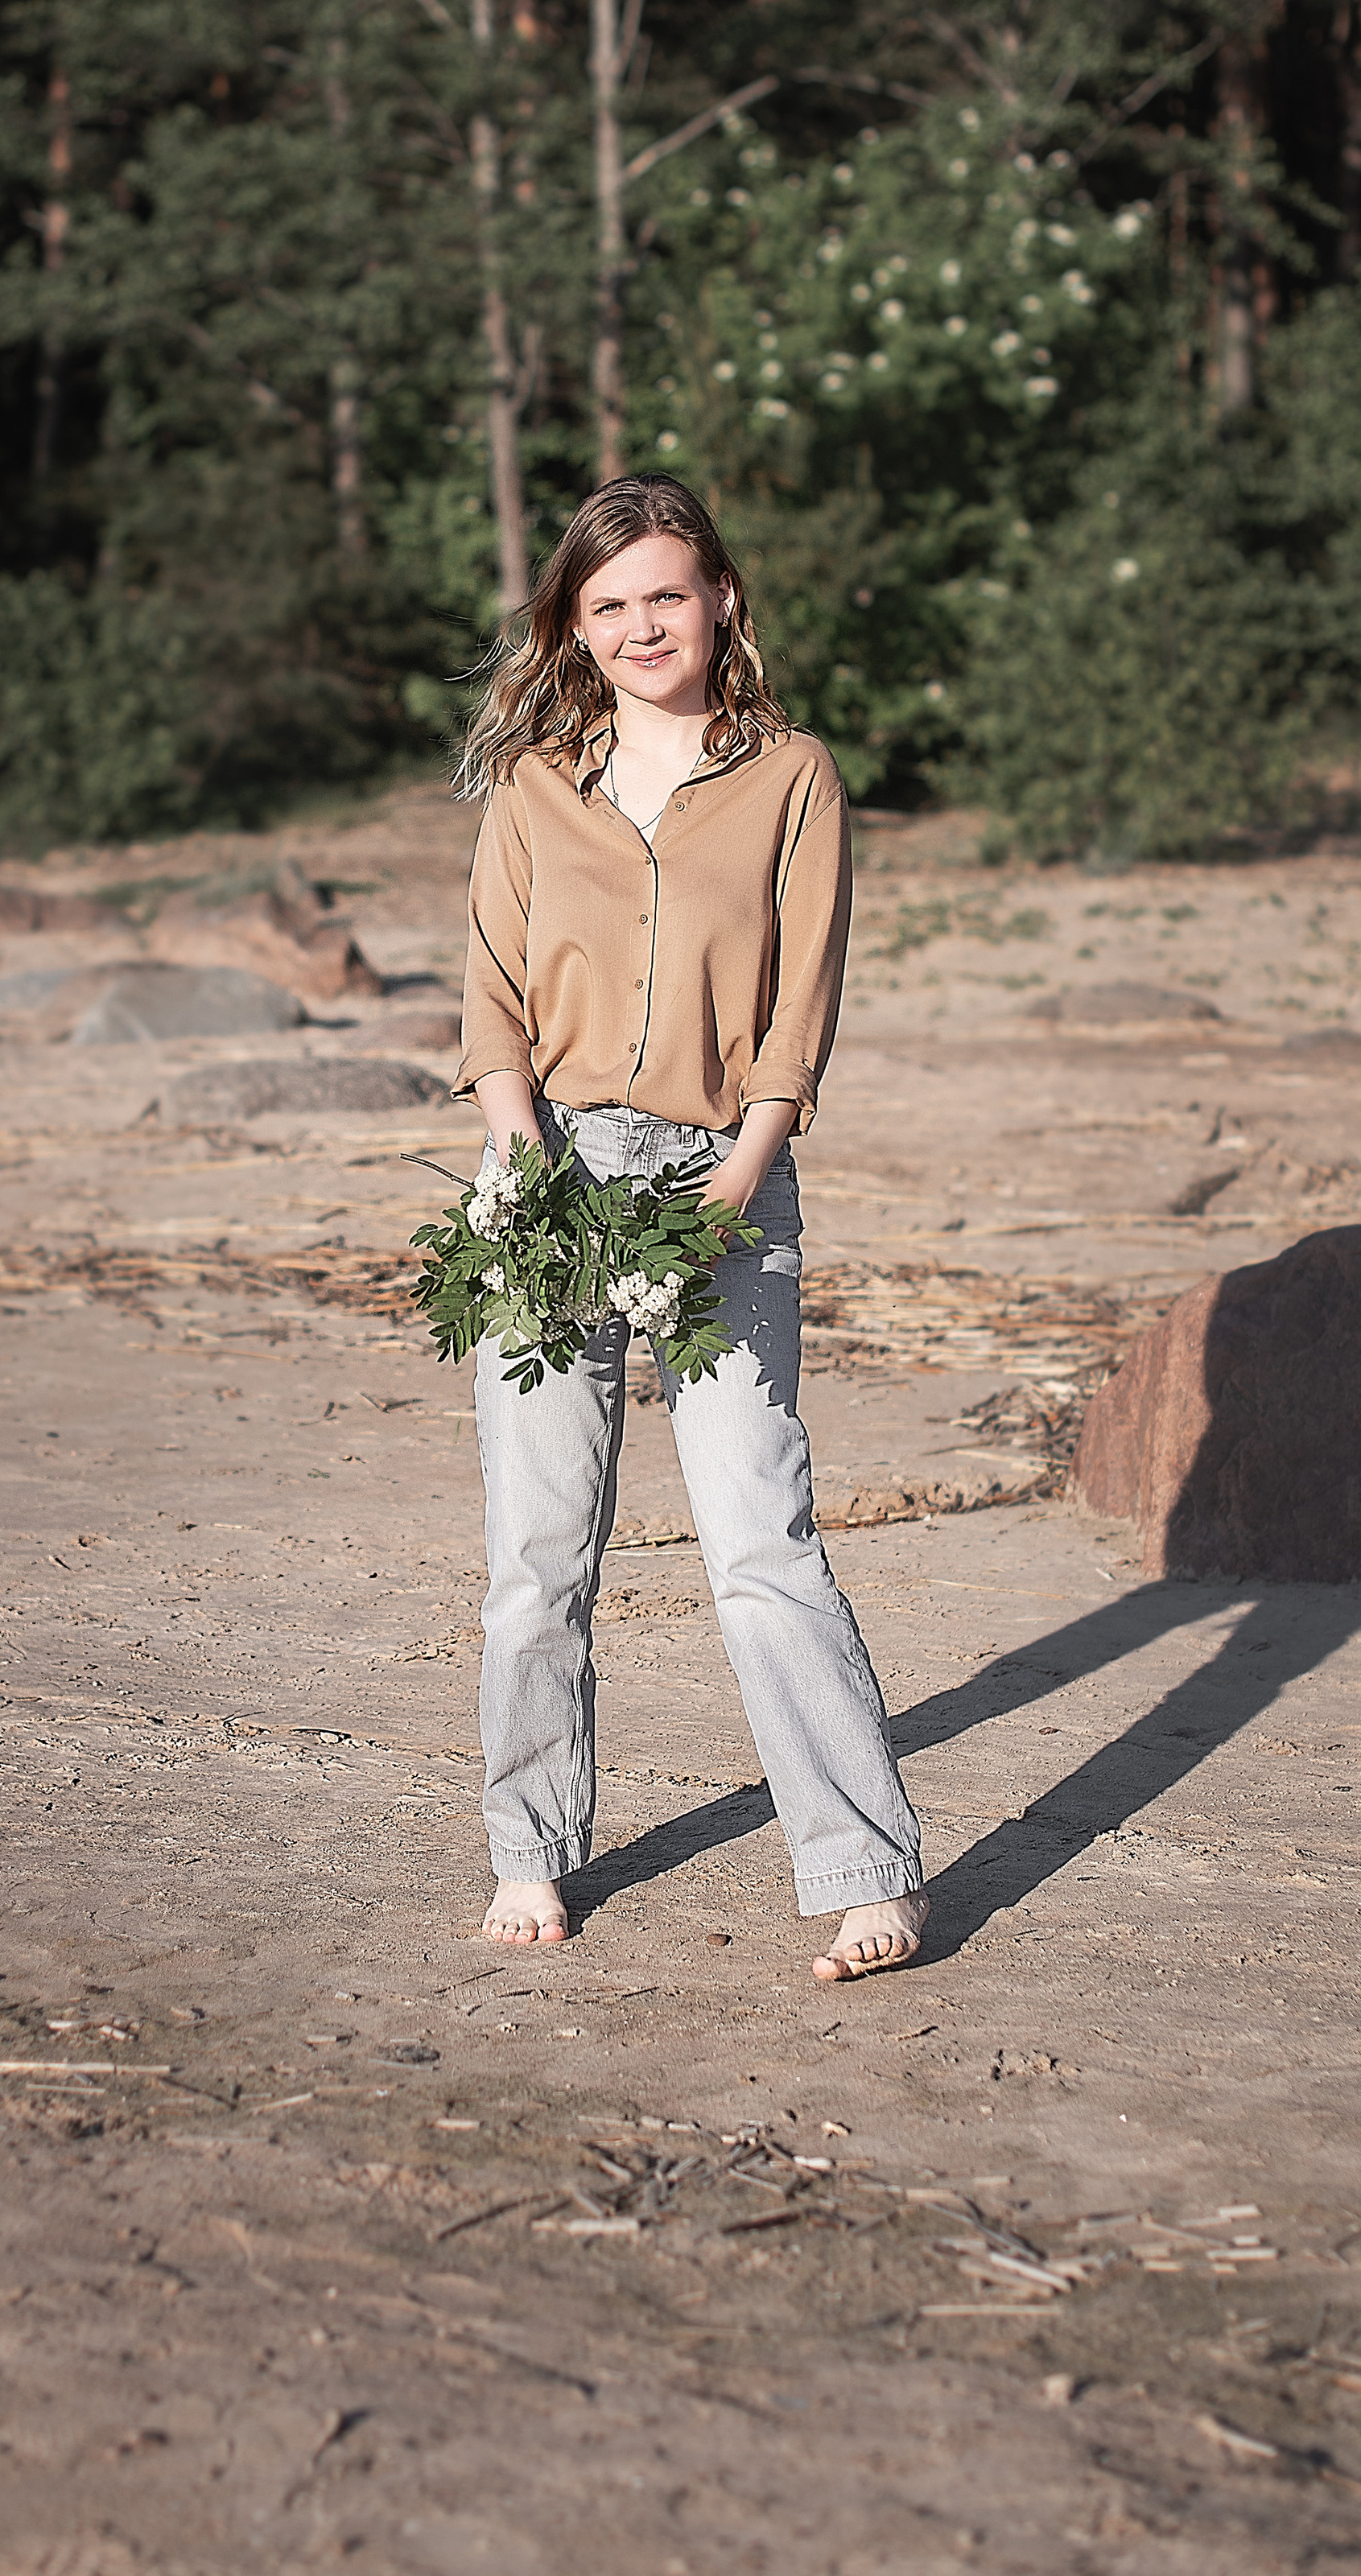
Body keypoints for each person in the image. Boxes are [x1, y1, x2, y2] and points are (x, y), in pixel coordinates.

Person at [452, 471, 928, 1983]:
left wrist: (737, 1180)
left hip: (725, 1175)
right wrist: (520, 1161)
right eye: (609, 605)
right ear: (573, 630)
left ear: (720, 597)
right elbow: (491, 1001)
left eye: (667, 593)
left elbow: (803, 1009)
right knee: (540, 1554)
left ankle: (866, 1872)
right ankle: (532, 1851)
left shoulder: (793, 778)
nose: (642, 624)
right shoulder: (535, 790)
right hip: (550, 1177)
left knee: (760, 1542)